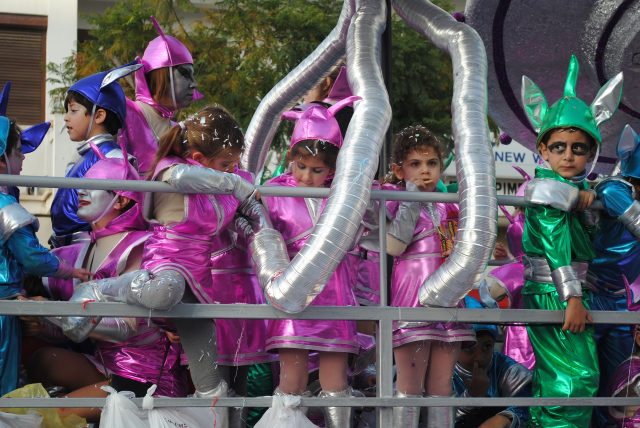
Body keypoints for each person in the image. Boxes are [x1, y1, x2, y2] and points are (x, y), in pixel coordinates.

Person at [66, 105, 256, 425]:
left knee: (210, 384)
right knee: (165, 293)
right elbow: (183, 177)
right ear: (198, 158)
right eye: (226, 164)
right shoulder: (172, 169)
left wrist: (256, 229)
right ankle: (100, 288)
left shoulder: (222, 186)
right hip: (167, 264)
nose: (232, 171)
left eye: (234, 165)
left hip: (199, 280)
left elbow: (239, 220)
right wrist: (233, 183)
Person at [23, 146, 187, 422]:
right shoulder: (84, 249)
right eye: (82, 186)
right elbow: (76, 329)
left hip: (146, 378)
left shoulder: (140, 247)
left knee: (50, 415)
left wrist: (50, 311)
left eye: (92, 186)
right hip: (106, 366)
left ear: (121, 200)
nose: (81, 192)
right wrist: (41, 323)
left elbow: (128, 327)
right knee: (40, 361)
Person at [519, 54, 623, 427]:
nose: (568, 155)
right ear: (543, 150)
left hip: (571, 292)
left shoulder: (578, 192)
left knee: (569, 382)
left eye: (577, 148)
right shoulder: (547, 191)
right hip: (556, 292)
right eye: (559, 146)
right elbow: (553, 242)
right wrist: (573, 298)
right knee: (572, 383)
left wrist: (595, 202)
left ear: (591, 153)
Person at [256, 96, 361, 428]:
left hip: (336, 297)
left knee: (336, 384)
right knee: (292, 382)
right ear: (291, 157)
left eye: (317, 170)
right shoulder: (272, 192)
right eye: (301, 166)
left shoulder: (344, 193)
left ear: (332, 169)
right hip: (295, 300)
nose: (306, 176)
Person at [384, 125, 474, 427]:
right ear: (399, 169)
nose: (425, 171)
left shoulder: (448, 202)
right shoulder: (393, 198)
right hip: (413, 296)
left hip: (449, 301)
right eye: (415, 164)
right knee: (409, 387)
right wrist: (411, 198)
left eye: (431, 163)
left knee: (442, 388)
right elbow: (394, 246)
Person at [0, 116, 90, 395]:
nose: (24, 158)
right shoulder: (5, 205)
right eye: (18, 152)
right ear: (2, 159)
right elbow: (32, 257)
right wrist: (71, 270)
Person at [49, 62, 141, 247]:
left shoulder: (114, 160)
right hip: (67, 249)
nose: (66, 117)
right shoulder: (82, 158)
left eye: (73, 110)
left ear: (99, 116)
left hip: (90, 250)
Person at [588, 124, 640, 427]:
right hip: (593, 299)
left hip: (624, 307)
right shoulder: (614, 188)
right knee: (583, 378)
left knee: (618, 386)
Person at [119, 16, 199, 175]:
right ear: (162, 75)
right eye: (185, 75)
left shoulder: (181, 131)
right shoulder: (123, 113)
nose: (194, 84)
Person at [453, 300, 532, 428]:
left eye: (487, 346)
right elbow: (434, 418)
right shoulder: (441, 371)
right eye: (469, 347)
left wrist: (504, 419)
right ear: (454, 347)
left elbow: (528, 403)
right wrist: (472, 396)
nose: (479, 357)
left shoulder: (505, 367)